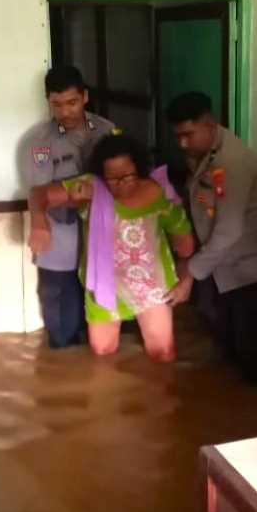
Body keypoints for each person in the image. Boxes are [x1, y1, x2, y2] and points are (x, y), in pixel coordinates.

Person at [164, 93, 257, 384]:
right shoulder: (202, 154)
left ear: (209, 124)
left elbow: (229, 230)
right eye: (177, 136)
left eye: (188, 135)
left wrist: (190, 273)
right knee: (229, 346)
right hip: (227, 264)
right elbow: (204, 205)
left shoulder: (232, 162)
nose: (182, 143)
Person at [30, 134, 194, 362]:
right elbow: (38, 194)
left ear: (139, 169)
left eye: (127, 176)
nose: (121, 183)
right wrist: (39, 221)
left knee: (163, 355)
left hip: (152, 288)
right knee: (102, 355)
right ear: (101, 176)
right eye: (112, 178)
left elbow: (186, 248)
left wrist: (185, 279)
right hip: (104, 286)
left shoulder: (160, 193)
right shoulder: (91, 188)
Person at [24, 65, 116, 348]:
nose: (65, 112)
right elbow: (39, 192)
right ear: (48, 101)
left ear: (85, 97)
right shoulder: (40, 142)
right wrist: (39, 222)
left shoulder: (107, 131)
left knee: (102, 319)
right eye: (57, 104)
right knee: (61, 321)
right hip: (61, 231)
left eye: (72, 102)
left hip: (100, 232)